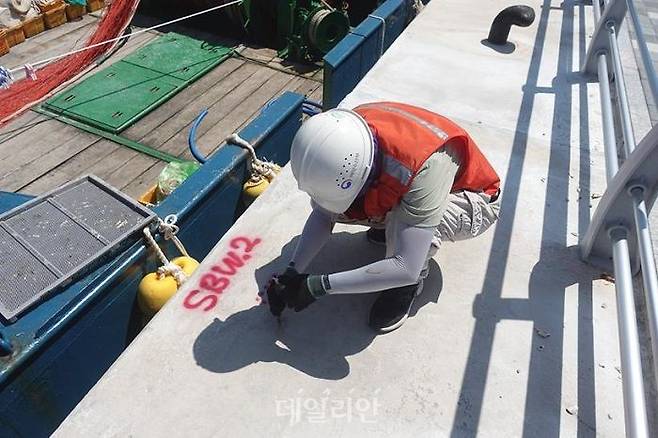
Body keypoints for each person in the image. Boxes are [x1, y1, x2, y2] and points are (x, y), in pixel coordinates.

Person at [267, 102, 501, 333]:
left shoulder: (423, 168)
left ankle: (404, 288)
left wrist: (319, 286)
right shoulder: (347, 135)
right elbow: (323, 213)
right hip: (409, 179)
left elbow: (405, 266)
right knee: (346, 203)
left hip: (473, 200)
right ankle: (392, 227)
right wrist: (293, 270)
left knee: (410, 247)